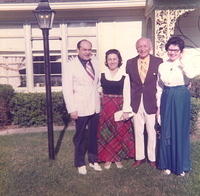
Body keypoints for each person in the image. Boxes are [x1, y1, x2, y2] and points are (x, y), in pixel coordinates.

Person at [157, 36, 200, 176]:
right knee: (166, 130)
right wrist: (158, 105)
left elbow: (192, 75)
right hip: (167, 96)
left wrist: (182, 63)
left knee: (179, 130)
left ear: (181, 51)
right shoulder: (162, 65)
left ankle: (180, 165)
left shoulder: (185, 64)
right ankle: (166, 164)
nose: (172, 52)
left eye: (176, 50)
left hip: (181, 96)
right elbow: (160, 87)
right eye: (170, 49)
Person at [62, 39, 102, 175]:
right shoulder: (70, 66)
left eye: (89, 49)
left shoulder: (95, 63)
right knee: (80, 136)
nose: (87, 52)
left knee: (93, 135)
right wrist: (71, 108)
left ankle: (93, 160)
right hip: (80, 107)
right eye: (84, 49)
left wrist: (100, 89)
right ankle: (80, 162)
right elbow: (67, 89)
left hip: (95, 105)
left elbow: (97, 83)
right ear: (77, 50)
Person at [126, 37, 163, 168]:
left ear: (150, 47)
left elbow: (161, 84)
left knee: (152, 132)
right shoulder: (130, 63)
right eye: (140, 46)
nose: (142, 49)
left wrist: (160, 104)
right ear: (137, 48)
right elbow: (127, 85)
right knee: (138, 131)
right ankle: (139, 157)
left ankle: (152, 158)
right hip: (135, 102)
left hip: (151, 102)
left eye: (145, 46)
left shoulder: (159, 62)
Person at [97, 49, 135, 169]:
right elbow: (98, 89)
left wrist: (126, 110)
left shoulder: (125, 76)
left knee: (119, 133)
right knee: (107, 133)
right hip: (105, 108)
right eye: (109, 59)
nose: (112, 61)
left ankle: (118, 158)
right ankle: (108, 158)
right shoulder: (101, 75)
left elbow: (127, 94)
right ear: (106, 61)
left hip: (119, 106)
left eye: (114, 59)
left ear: (119, 60)